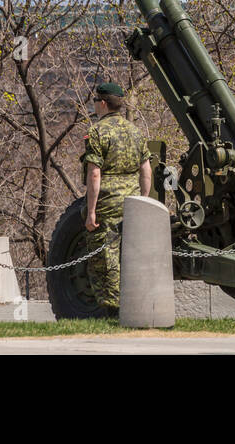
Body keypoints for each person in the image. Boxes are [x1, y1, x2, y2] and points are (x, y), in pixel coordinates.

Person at [81, 82, 151, 316]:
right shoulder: (135, 131)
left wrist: (91, 211)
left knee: (105, 257)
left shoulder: (98, 132)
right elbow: (146, 170)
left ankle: (112, 311)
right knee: (128, 255)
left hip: (107, 203)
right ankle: (133, 307)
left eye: (95, 102)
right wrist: (144, 200)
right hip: (132, 202)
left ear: (102, 103)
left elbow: (94, 173)